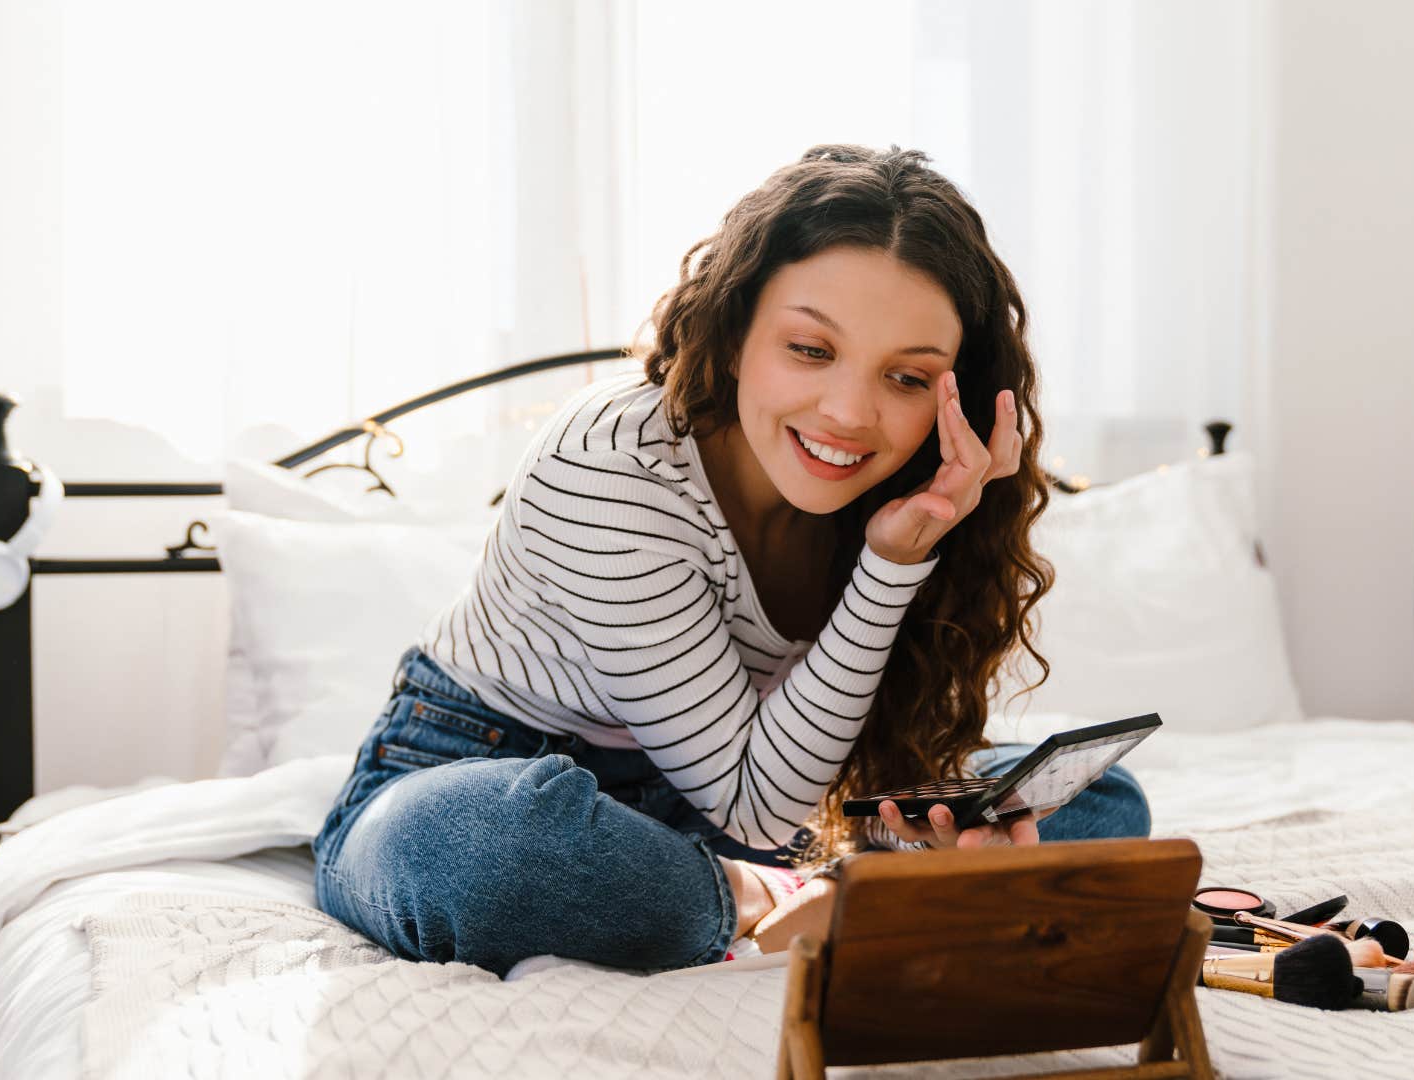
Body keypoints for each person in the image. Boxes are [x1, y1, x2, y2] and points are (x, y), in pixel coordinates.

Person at [310, 143, 1151, 976]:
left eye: (906, 379)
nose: (850, 414)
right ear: (737, 324)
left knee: (1093, 804)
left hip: (730, 807)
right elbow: (756, 807)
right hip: (488, 769)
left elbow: (776, 790)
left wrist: (906, 548)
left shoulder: (912, 485)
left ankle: (797, 886)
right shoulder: (612, 461)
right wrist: (887, 571)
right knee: (485, 849)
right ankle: (771, 896)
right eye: (811, 351)